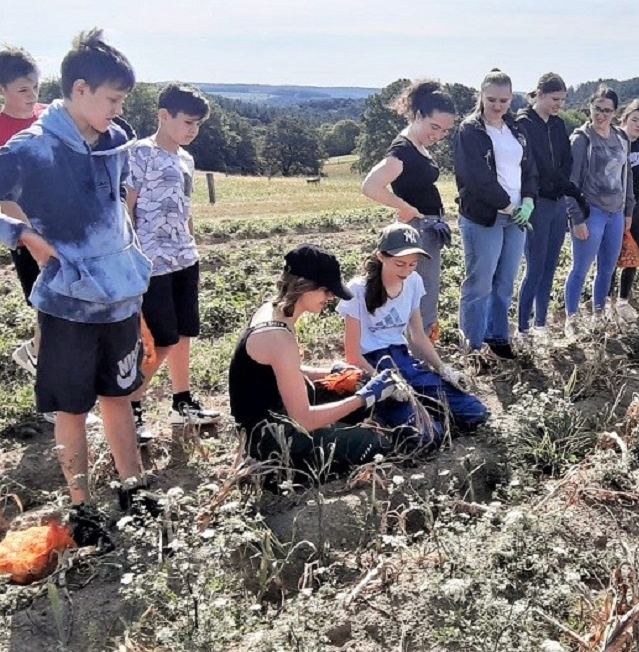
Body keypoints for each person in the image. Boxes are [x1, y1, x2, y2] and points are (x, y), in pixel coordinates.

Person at [0, 29, 154, 548]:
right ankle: (83, 509)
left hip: (119, 300)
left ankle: (134, 489)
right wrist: (20, 234)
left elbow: (117, 217)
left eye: (122, 101)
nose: (118, 111)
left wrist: (134, 278)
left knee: (120, 398)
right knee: (73, 410)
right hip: (69, 308)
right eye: (112, 99)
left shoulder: (114, 140)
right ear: (79, 89)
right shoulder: (29, 152)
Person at [228, 245, 402, 484]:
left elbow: (280, 373)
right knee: (377, 446)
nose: (330, 298)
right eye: (326, 291)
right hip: (272, 438)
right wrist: (364, 396)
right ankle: (275, 472)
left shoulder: (272, 312)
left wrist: (332, 372)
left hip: (274, 416)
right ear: (303, 286)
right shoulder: (278, 338)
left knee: (355, 389)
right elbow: (304, 420)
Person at [125, 84, 222, 443]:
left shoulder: (186, 159)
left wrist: (192, 242)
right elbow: (127, 207)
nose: (193, 130)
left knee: (184, 334)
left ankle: (183, 402)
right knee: (161, 339)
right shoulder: (140, 153)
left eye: (198, 124)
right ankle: (131, 408)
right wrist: (129, 256)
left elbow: (185, 206)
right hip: (151, 262)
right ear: (163, 116)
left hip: (184, 257)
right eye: (187, 122)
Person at [339, 224, 490, 445]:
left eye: (413, 264)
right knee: (427, 436)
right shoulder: (357, 290)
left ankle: (423, 407)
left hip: (403, 359)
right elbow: (352, 355)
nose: (407, 271)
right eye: (400, 264)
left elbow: (417, 335)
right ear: (381, 257)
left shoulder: (414, 282)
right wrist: (382, 383)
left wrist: (443, 369)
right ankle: (381, 417)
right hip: (372, 364)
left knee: (476, 412)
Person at [361, 81, 457, 340]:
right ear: (418, 116)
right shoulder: (402, 151)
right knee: (420, 296)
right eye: (434, 127)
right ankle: (419, 356)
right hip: (418, 231)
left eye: (445, 131)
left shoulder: (418, 146)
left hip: (427, 229)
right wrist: (405, 207)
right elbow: (370, 186)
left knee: (422, 293)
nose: (437, 135)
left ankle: (418, 350)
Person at [452, 69, 538, 360]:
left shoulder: (516, 129)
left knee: (505, 281)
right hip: (484, 216)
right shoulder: (470, 130)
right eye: (491, 100)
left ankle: (498, 336)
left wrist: (528, 200)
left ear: (511, 98)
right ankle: (472, 345)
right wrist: (509, 206)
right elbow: (477, 179)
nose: (497, 106)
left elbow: (529, 168)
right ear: (481, 96)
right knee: (480, 282)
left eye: (503, 100)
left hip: (516, 217)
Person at [0, 46, 48, 383]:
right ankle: (51, 393)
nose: (32, 95)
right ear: (0, 90)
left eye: (36, 86)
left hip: (65, 228)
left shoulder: (50, 116)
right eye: (23, 89)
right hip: (29, 236)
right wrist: (31, 240)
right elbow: (8, 198)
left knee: (65, 310)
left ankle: (35, 353)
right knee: (50, 311)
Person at [563, 86, 633, 336]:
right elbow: (570, 183)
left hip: (616, 212)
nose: (601, 115)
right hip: (591, 211)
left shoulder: (621, 138)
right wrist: (577, 218)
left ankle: (599, 314)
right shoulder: (582, 139)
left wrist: (628, 211)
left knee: (607, 268)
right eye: (597, 109)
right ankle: (571, 318)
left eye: (607, 110)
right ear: (590, 108)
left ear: (615, 112)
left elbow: (628, 176)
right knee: (580, 268)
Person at [515, 73, 578, 340]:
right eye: (554, 99)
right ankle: (523, 328)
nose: (558, 105)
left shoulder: (558, 125)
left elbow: (567, 160)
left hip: (556, 202)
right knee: (535, 267)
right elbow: (528, 163)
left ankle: (541, 324)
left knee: (551, 266)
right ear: (539, 95)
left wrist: (561, 185)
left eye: (562, 100)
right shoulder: (522, 124)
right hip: (536, 201)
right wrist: (549, 180)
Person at [610, 99, 639, 323]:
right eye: (634, 119)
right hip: (613, 205)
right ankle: (605, 303)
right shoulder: (613, 141)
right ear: (624, 119)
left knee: (633, 252)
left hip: (637, 204)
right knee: (610, 253)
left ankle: (623, 300)